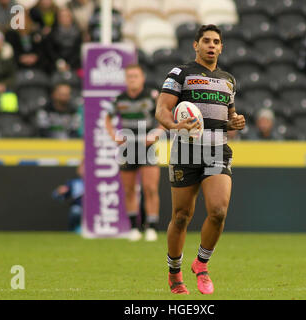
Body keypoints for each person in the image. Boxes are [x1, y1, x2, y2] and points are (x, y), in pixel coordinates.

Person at [155, 24, 245, 294]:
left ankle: (201, 264)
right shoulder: (179, 73)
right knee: (182, 216)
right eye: (206, 40)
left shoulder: (228, 80)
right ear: (196, 45)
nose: (211, 45)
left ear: (221, 47)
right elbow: (162, 109)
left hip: (217, 149)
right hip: (185, 150)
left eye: (216, 42)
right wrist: (173, 127)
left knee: (218, 211)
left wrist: (236, 120)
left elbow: (230, 115)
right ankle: (174, 272)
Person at [105, 64, 162, 242]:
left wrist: (156, 134)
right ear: (125, 79)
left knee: (150, 188)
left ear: (142, 78)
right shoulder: (119, 99)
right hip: (127, 148)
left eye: (135, 76)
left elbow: (164, 117)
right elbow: (107, 117)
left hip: (147, 147)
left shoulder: (152, 96)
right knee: (129, 189)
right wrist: (113, 135)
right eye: (129, 76)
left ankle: (151, 227)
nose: (132, 80)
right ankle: (134, 227)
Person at [52, 160, 84, 233]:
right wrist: (59, 192)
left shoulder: (97, 183)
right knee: (76, 211)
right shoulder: (73, 182)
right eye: (81, 167)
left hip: (94, 209)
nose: (83, 170)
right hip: (79, 208)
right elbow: (56, 196)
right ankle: (74, 231)